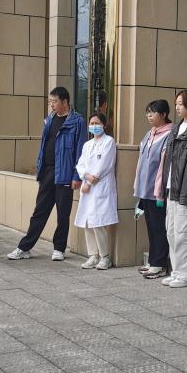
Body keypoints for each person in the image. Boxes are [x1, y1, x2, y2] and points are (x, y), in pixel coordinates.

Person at [7, 87, 87, 261]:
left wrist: (76, 176)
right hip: (48, 172)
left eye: (54, 101)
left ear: (65, 102)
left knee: (63, 214)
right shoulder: (50, 119)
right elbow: (44, 145)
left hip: (65, 173)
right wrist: (40, 169)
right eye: (50, 101)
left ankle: (59, 249)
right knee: (39, 211)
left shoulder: (77, 121)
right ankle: (24, 247)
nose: (51, 104)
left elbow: (81, 150)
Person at [158, 89, 187, 289]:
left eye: (181, 104)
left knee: (185, 233)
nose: (177, 107)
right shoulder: (176, 127)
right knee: (171, 232)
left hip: (184, 189)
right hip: (172, 187)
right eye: (176, 104)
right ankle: (177, 271)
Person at [134, 99, 173, 279]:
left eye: (153, 112)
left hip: (158, 191)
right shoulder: (149, 134)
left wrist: (159, 190)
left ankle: (160, 264)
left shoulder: (169, 134)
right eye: (148, 112)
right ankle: (153, 261)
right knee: (151, 225)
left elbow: (164, 166)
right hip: (145, 189)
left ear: (163, 114)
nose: (149, 115)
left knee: (159, 227)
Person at [75, 113, 119, 270]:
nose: (94, 126)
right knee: (87, 222)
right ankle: (92, 255)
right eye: (92, 123)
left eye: (97, 123)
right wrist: (86, 177)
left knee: (98, 223)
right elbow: (80, 164)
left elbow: (105, 165)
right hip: (88, 187)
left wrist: (90, 180)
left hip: (100, 186)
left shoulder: (109, 142)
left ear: (104, 125)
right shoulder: (87, 145)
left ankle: (104, 257)